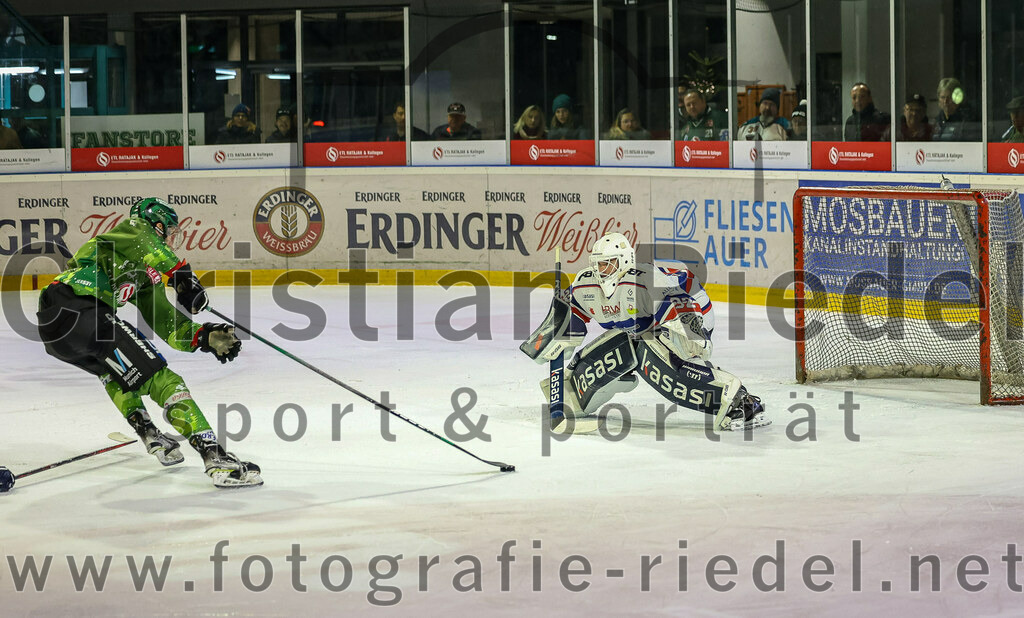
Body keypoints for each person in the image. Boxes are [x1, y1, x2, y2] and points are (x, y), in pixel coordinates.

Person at [35, 198, 262, 488]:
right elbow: (148, 243)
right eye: (168, 230)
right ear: (156, 224)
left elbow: (166, 322)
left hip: (56, 329)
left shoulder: (147, 276)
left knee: (113, 371)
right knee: (163, 379)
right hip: (79, 306)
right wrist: (182, 275)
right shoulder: (133, 229)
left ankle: (150, 433)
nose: (169, 237)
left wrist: (202, 336)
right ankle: (215, 457)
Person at [522, 233, 769, 432]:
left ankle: (737, 399)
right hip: (643, 328)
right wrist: (556, 334)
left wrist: (695, 339)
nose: (602, 270)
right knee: (625, 346)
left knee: (658, 360)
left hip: (691, 308)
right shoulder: (586, 286)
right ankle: (575, 393)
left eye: (609, 264)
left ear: (625, 261)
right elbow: (568, 318)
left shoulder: (645, 280)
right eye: (598, 264)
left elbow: (680, 300)